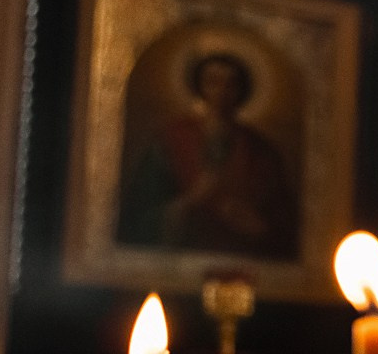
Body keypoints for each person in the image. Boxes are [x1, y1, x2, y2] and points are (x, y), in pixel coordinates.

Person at [116, 47, 301, 261]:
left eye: (231, 84)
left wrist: (257, 226)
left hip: (240, 261)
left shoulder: (262, 151)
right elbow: (138, 217)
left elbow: (284, 227)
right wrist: (189, 202)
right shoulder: (170, 141)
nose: (222, 91)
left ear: (242, 90)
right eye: (213, 82)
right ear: (200, 87)